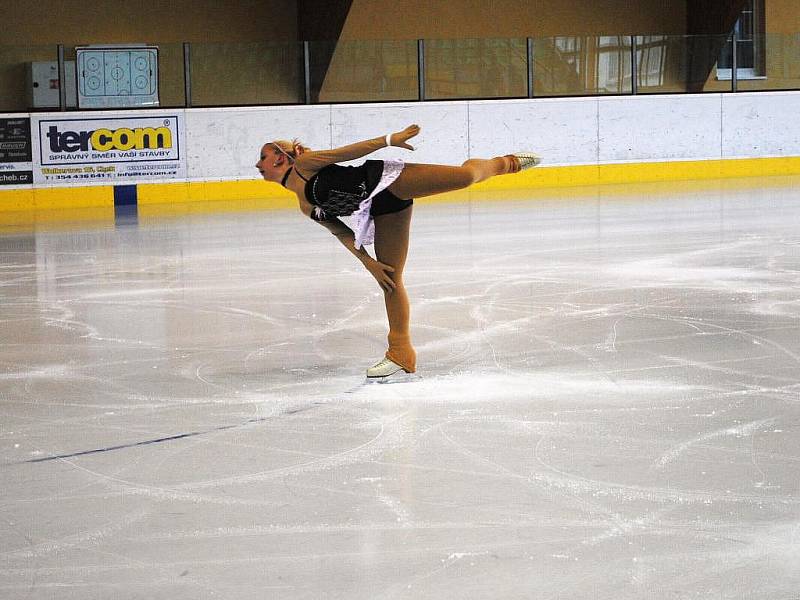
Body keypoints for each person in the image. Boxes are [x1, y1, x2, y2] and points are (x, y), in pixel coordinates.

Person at [255, 124, 539, 379]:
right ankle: (401, 353)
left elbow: (348, 152)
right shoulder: (305, 206)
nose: (259, 164)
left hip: (390, 180)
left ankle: (505, 163)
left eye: (263, 157)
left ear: (280, 157)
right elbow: (342, 232)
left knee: (465, 177)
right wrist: (370, 264)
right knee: (390, 279)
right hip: (381, 210)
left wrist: (391, 139)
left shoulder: (305, 164)